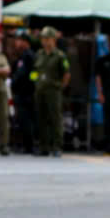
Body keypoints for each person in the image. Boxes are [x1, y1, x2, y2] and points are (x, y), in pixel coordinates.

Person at [30, 26, 71, 156]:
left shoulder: (60, 56)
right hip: (40, 91)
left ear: (54, 40)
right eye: (43, 39)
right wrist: (35, 82)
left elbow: (66, 74)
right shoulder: (39, 54)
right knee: (41, 119)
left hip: (53, 91)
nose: (45, 41)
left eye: (48, 39)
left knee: (55, 119)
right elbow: (34, 72)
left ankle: (57, 147)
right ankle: (44, 146)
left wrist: (60, 87)